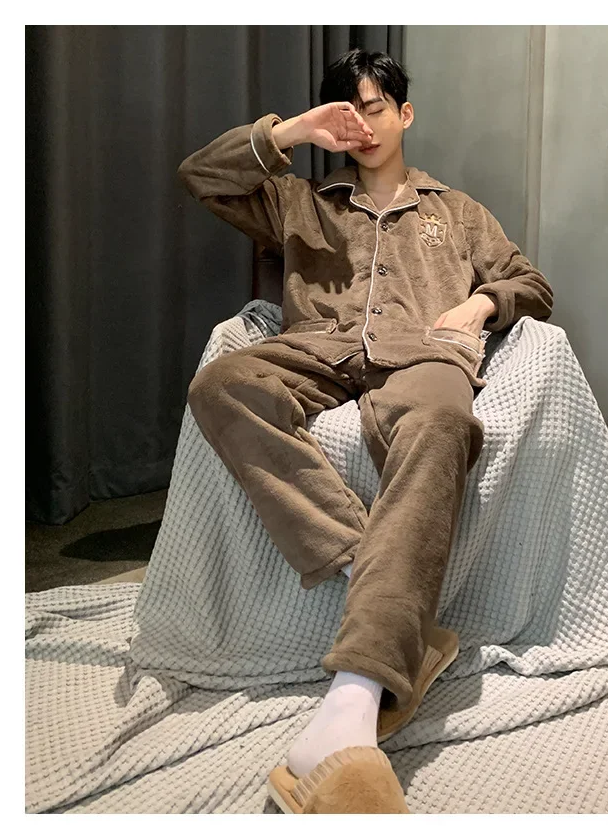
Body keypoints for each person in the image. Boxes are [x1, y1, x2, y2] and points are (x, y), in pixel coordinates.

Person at [179, 49, 553, 792]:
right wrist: (292, 132)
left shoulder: (457, 210)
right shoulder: (301, 202)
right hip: (318, 346)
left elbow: (531, 283)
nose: (365, 125)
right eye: (349, 114)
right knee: (222, 384)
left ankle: (355, 698)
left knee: (442, 421)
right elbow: (202, 176)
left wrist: (481, 304)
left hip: (422, 353)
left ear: (405, 113)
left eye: (376, 108)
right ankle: (373, 573)